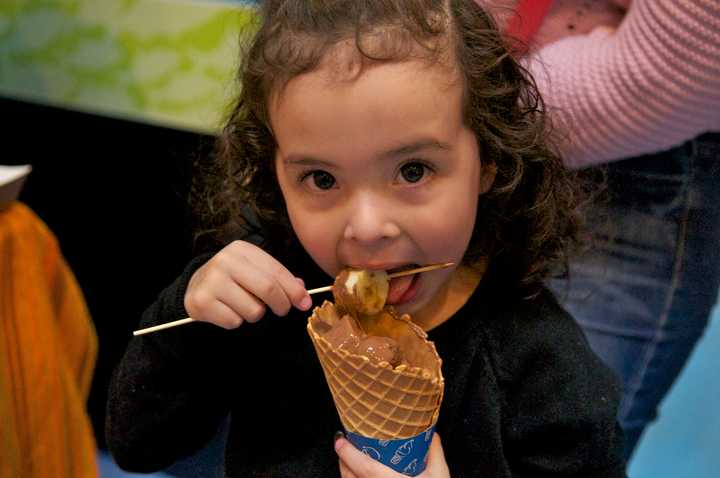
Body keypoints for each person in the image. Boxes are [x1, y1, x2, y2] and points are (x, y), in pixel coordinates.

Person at [105, 1, 627, 476]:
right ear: (274, 175)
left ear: (487, 160)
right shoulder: (264, 302)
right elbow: (137, 445)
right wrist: (189, 320)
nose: (367, 227)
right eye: (322, 179)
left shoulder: (545, 372)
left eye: (414, 169)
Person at [484, 0, 720, 459]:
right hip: (451, 122)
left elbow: (682, 63)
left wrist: (438, 116)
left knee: (543, 446)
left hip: (627, 160)